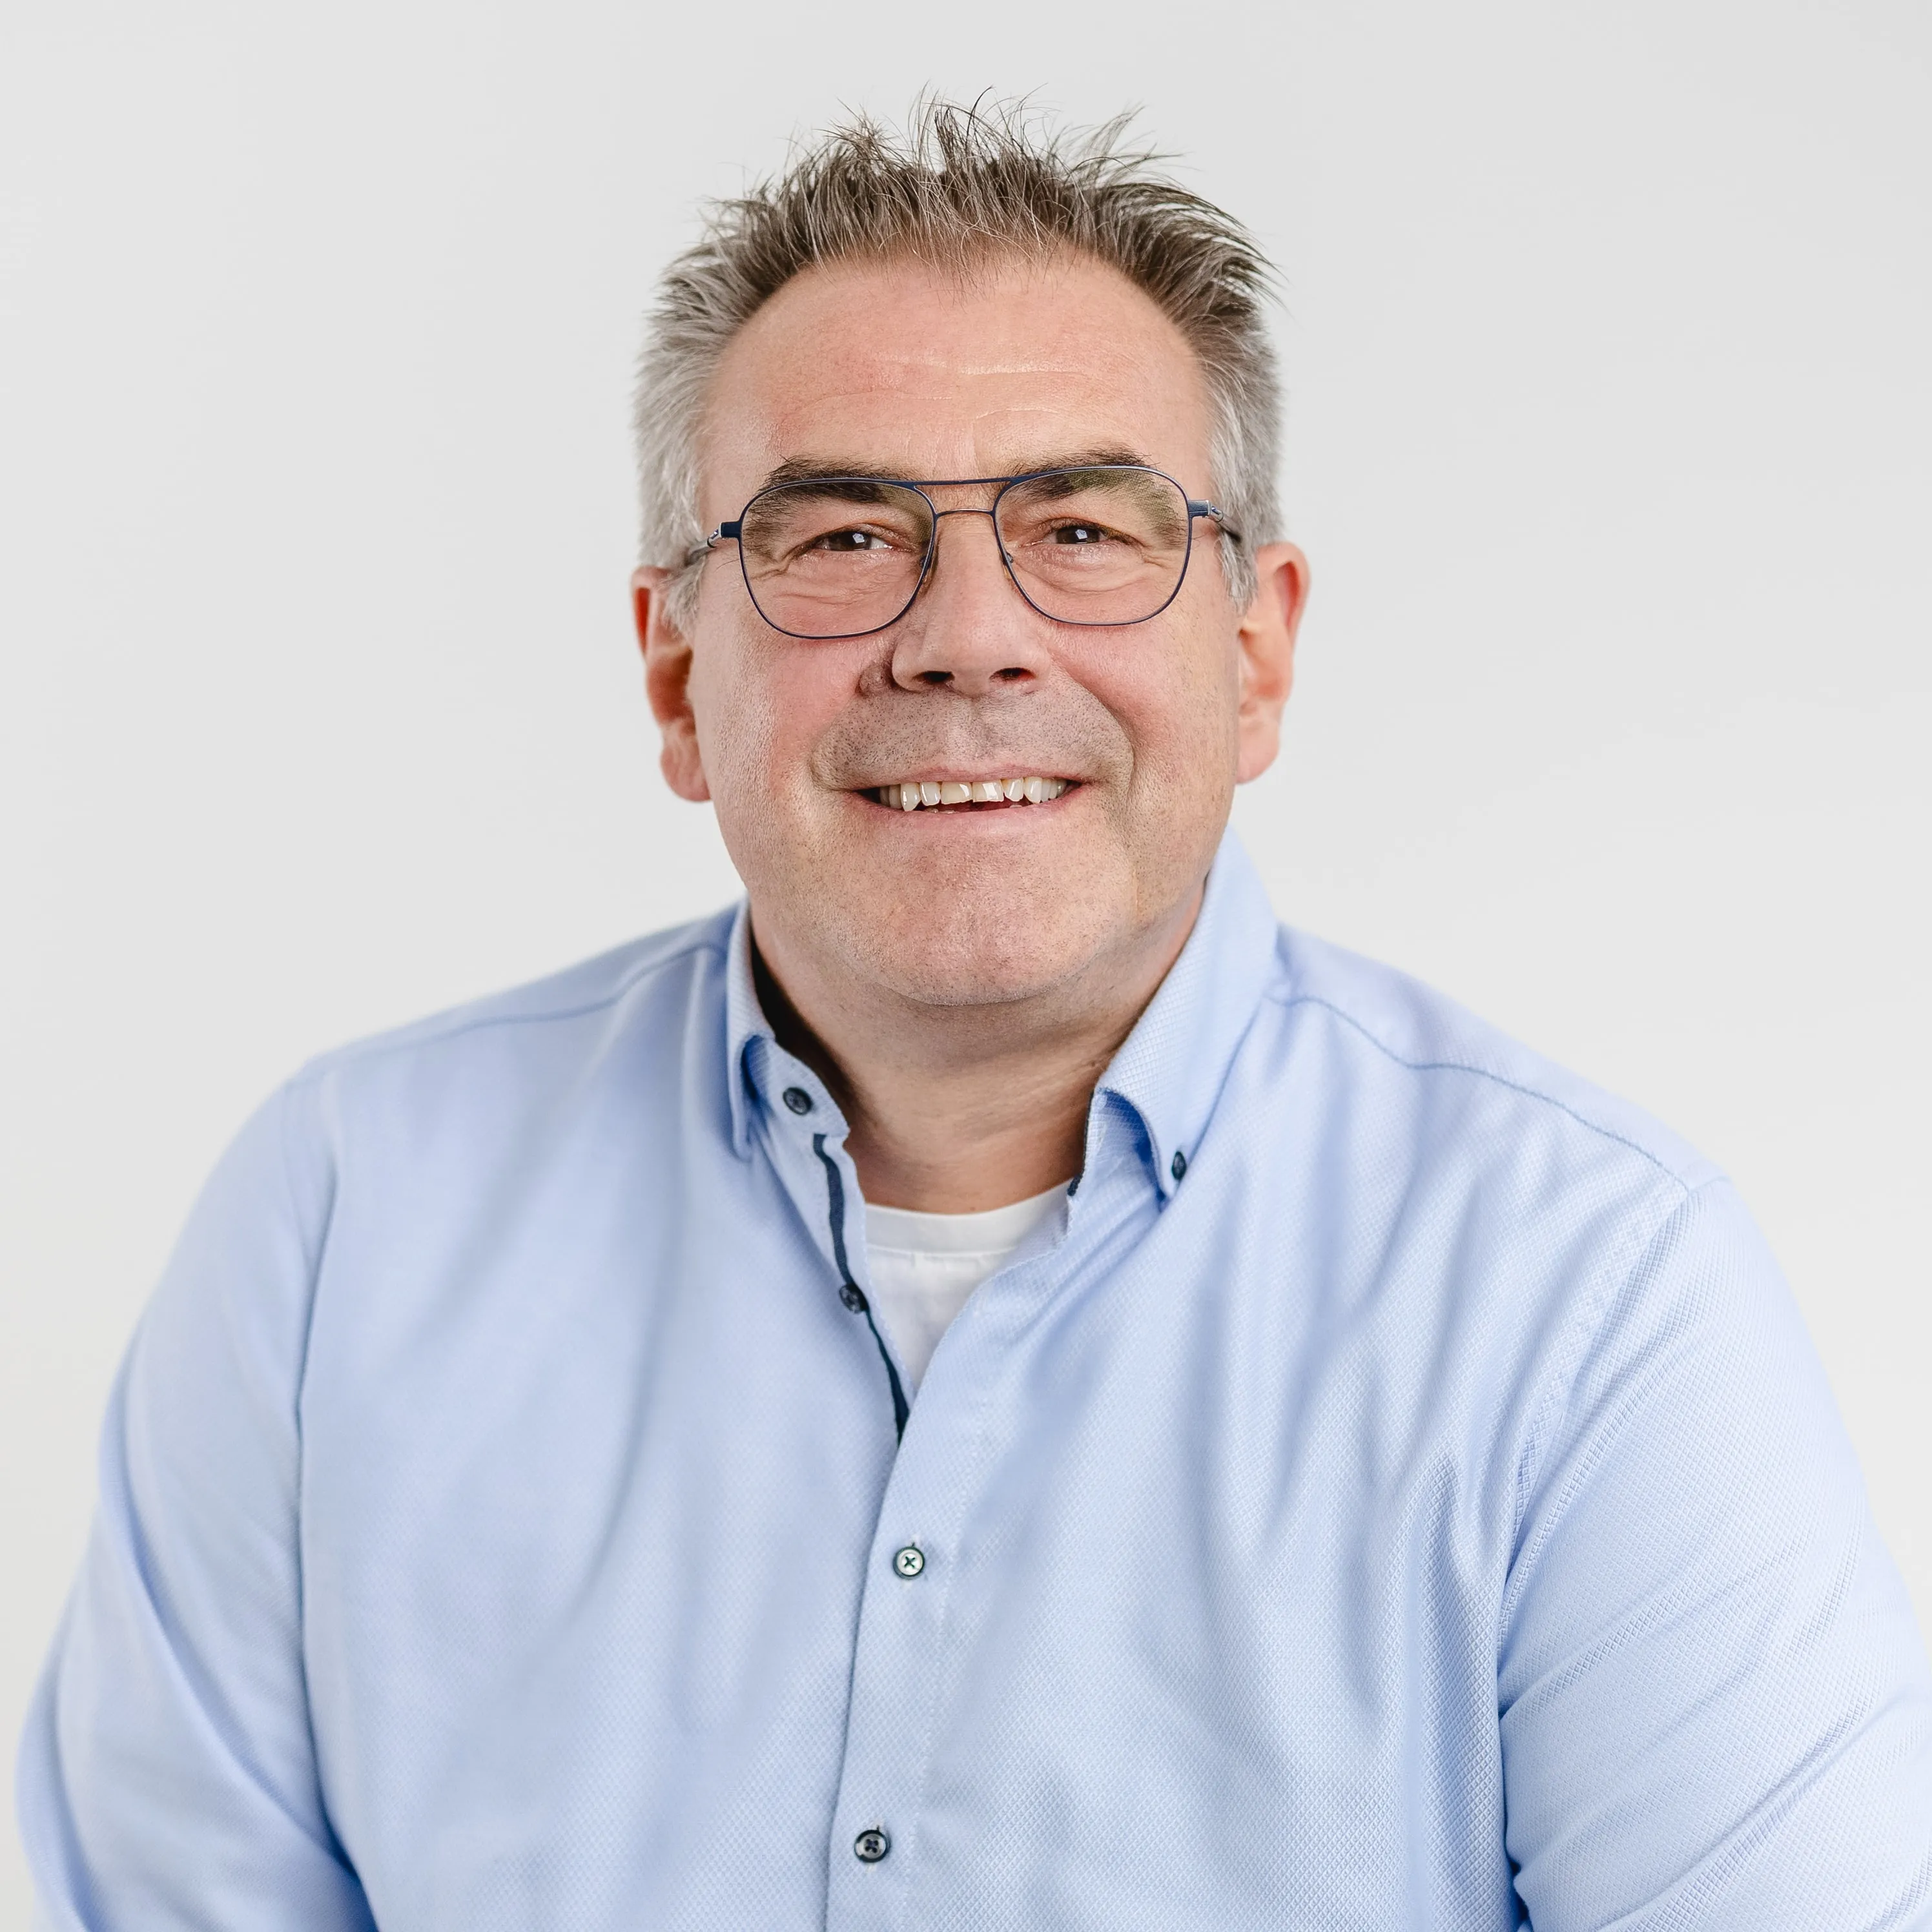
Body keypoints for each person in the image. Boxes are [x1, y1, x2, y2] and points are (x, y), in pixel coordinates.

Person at [18, 98, 1931, 1931]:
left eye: (1086, 529)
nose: (966, 633)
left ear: (1255, 652)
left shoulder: (1586, 1294)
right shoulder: (342, 1222)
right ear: (677, 673)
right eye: (839, 536)